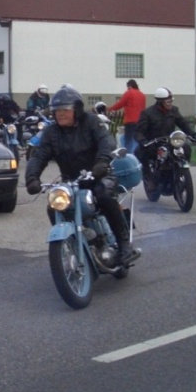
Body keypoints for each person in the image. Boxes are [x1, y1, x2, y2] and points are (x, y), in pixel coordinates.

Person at [25, 85, 138, 265]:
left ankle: (124, 244)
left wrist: (101, 163)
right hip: (71, 181)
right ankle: (75, 242)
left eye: (65, 110)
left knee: (103, 195)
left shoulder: (92, 122)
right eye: (57, 110)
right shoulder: (52, 132)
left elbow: (106, 142)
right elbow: (39, 156)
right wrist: (32, 178)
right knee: (54, 207)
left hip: (100, 176)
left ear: (76, 109)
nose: (60, 114)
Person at [134, 88, 196, 171]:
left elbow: (183, 123)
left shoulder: (174, 111)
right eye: (168, 102)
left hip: (170, 142)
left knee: (186, 148)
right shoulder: (147, 113)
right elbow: (139, 131)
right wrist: (143, 141)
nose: (170, 104)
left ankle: (182, 169)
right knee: (144, 153)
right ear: (160, 102)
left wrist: (193, 134)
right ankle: (150, 174)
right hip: (154, 143)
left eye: (171, 101)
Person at [108, 79, 145, 154]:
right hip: (140, 121)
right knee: (137, 139)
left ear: (129, 86)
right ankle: (137, 155)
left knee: (128, 140)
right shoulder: (142, 95)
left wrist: (110, 109)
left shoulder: (129, 93)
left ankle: (128, 155)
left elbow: (121, 103)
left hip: (130, 120)